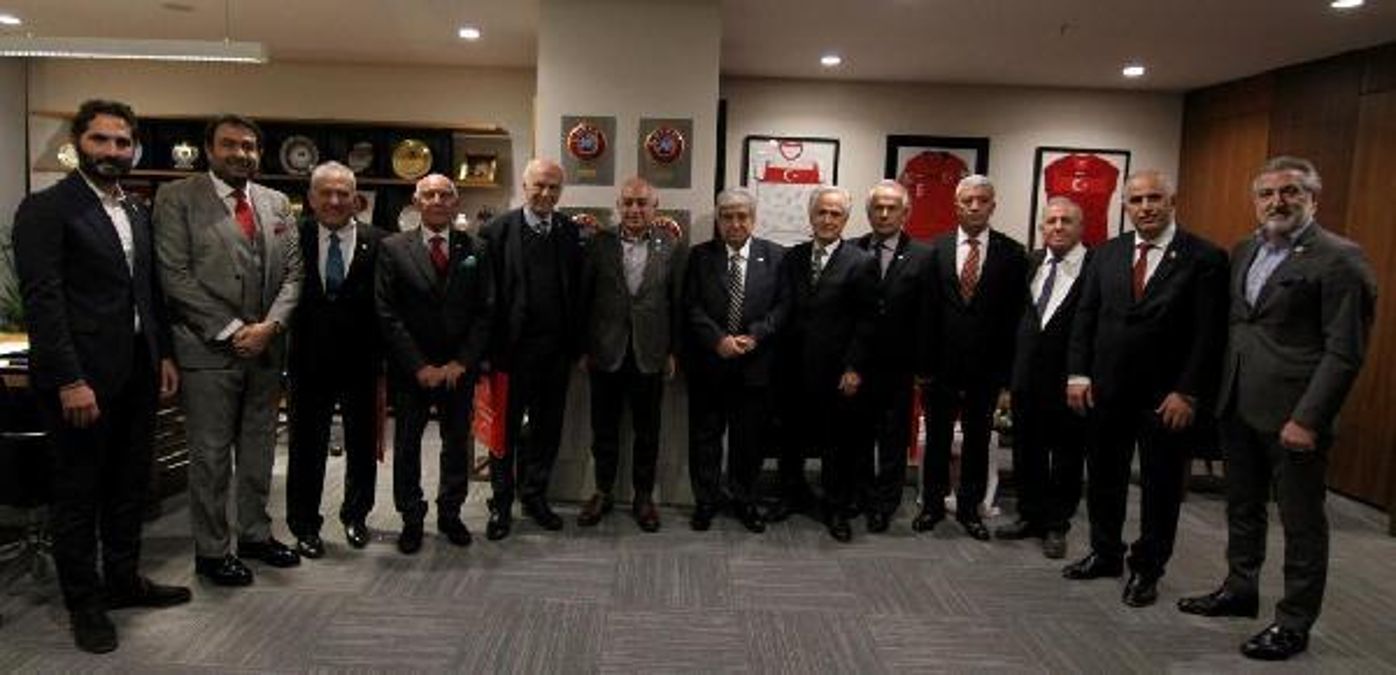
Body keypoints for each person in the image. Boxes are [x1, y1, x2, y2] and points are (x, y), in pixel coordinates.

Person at [1177, 157, 1376, 661]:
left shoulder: (1340, 259)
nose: (1277, 202)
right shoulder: (1244, 250)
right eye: (1266, 194)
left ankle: (1293, 621)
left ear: (1313, 198)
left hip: (1294, 416)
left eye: (1290, 192)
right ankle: (1239, 589)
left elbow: (1345, 352)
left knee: (1301, 522)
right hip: (1237, 404)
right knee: (1241, 507)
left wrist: (1308, 419)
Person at [12, 99, 189, 653]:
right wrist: (70, 379)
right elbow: (43, 302)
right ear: (78, 143)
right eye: (101, 140)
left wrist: (161, 355)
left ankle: (122, 579)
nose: (113, 151)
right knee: (78, 494)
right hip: (80, 380)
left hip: (136, 371)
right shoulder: (47, 209)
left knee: (129, 485)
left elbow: (146, 293)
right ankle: (84, 604)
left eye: (122, 142)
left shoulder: (134, 209)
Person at [1064, 170, 1228, 608]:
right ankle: (1105, 553)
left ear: (1172, 202)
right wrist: (1078, 375)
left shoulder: (1204, 257)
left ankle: (1147, 568)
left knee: (1161, 486)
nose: (1146, 207)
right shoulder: (1107, 253)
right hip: (1106, 390)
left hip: (1166, 397)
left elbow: (1209, 335)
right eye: (1136, 200)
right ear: (1125, 207)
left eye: (1155, 198)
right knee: (1104, 478)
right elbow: (1086, 316)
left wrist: (1188, 391)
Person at [154, 114, 304, 586]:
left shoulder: (276, 202)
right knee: (211, 457)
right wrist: (234, 329)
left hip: (265, 352)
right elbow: (174, 276)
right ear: (209, 149)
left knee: (260, 451)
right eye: (230, 145)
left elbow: (294, 274)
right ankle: (213, 551)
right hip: (208, 351)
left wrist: (270, 327)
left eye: (249, 146)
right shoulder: (177, 198)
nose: (241, 153)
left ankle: (255, 535)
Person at [375, 174, 493, 554]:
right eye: (430, 195)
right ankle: (411, 518)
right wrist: (419, 365)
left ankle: (450, 513)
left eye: (445, 194)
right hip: (413, 370)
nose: (438, 200)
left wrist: (462, 362)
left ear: (455, 202)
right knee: (407, 445)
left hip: (459, 369)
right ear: (417, 201)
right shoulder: (393, 248)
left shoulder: (476, 248)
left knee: (456, 443)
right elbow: (387, 313)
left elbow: (486, 311)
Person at [914, 175, 1028, 541]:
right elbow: (926, 313)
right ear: (956, 205)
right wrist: (922, 366)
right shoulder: (936, 249)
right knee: (937, 439)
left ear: (993, 205)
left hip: (987, 369)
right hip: (940, 367)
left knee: (978, 441)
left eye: (982, 200)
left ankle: (969, 509)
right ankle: (932, 505)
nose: (975, 206)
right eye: (968, 200)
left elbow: (1016, 318)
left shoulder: (1013, 253)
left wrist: (1008, 379)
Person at [478, 158, 585, 540]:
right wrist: (485, 353)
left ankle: (535, 496)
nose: (546, 193)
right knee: (503, 434)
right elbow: (484, 297)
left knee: (546, 430)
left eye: (554, 187)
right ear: (525, 187)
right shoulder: (496, 231)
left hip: (556, 354)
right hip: (509, 354)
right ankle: (501, 502)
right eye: (539, 185)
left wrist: (577, 347)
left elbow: (577, 292)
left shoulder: (570, 232)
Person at [767, 186, 879, 542]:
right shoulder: (793, 257)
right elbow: (783, 308)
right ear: (811, 215)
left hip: (836, 371)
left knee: (836, 444)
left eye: (835, 214)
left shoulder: (861, 262)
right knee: (790, 438)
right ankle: (790, 495)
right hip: (791, 367)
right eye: (822, 212)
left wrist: (854, 367)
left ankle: (836, 507)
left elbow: (867, 322)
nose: (827, 219)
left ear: (845, 219)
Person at [284, 161, 383, 558]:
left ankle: (356, 516)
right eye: (326, 192)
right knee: (306, 447)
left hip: (362, 362)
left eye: (344, 193)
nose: (335, 200)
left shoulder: (380, 241)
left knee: (362, 445)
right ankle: (304, 525)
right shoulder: (293, 237)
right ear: (311, 198)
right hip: (307, 362)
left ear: (356, 199)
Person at [577, 177, 687, 532]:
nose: (634, 210)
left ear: (655, 207)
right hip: (605, 351)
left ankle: (643, 497)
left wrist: (673, 351)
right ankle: (603, 491)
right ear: (618, 206)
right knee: (603, 430)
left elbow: (677, 303)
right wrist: (583, 348)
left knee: (647, 432)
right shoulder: (599, 243)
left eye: (642, 203)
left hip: (650, 352)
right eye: (628, 203)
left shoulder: (671, 246)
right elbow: (584, 298)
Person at [684, 188, 787, 533]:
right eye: (727, 216)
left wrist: (755, 335)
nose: (735, 223)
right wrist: (718, 340)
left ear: (753, 219)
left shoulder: (776, 256)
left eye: (742, 216)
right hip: (710, 364)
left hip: (755, 366)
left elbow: (783, 307)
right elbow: (691, 306)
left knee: (749, 440)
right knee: (705, 438)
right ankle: (706, 501)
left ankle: (744, 500)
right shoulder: (699, 256)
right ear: (718, 220)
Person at [996, 197, 1092, 559]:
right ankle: (1030, 515)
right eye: (1051, 221)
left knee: (1066, 457)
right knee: (1026, 451)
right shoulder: (1031, 262)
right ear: (1041, 228)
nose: (1058, 227)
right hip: (1026, 378)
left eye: (1066, 221)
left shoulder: (1095, 266)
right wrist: (1008, 381)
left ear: (1081, 227)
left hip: (1070, 383)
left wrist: (1084, 376)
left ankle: (1056, 525)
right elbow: (1014, 323)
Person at [851, 180, 932, 533]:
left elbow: (929, 315)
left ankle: (885, 504)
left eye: (891, 208)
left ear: (905, 213)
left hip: (899, 367)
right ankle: (861, 495)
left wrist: (923, 366)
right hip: (856, 364)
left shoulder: (925, 256)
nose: (884, 214)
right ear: (868, 212)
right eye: (877, 208)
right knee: (857, 434)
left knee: (893, 439)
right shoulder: (851, 249)